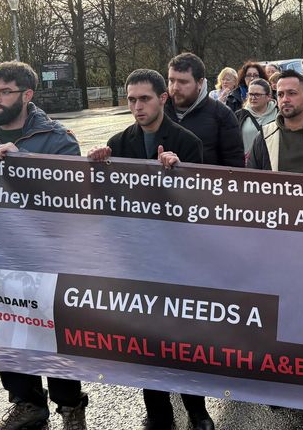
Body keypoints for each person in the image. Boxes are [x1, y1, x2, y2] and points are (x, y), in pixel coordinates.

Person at [0, 61, 89, 430]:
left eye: (4, 91)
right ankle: (27, 403)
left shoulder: (58, 139)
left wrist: (21, 164)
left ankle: (70, 405)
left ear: (27, 95)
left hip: (45, 257)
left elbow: (73, 198)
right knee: (8, 333)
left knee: (52, 334)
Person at [87, 69, 212, 430]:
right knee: (145, 341)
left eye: (144, 99)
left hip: (178, 260)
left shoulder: (187, 142)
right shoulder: (118, 142)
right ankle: (158, 413)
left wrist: (179, 172)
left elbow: (200, 204)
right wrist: (98, 170)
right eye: (131, 99)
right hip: (137, 260)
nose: (137, 107)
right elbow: (105, 207)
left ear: (163, 99)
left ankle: (197, 410)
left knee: (184, 338)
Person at [166, 53, 244, 167]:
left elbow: (234, 169)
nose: (175, 87)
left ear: (200, 83)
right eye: (171, 80)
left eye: (183, 82)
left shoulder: (222, 115)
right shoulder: (158, 112)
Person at [236, 77, 278, 158]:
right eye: (251, 94)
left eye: (257, 94)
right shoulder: (239, 115)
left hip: (273, 162)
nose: (253, 98)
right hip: (249, 165)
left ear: (268, 96)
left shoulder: (278, 114)